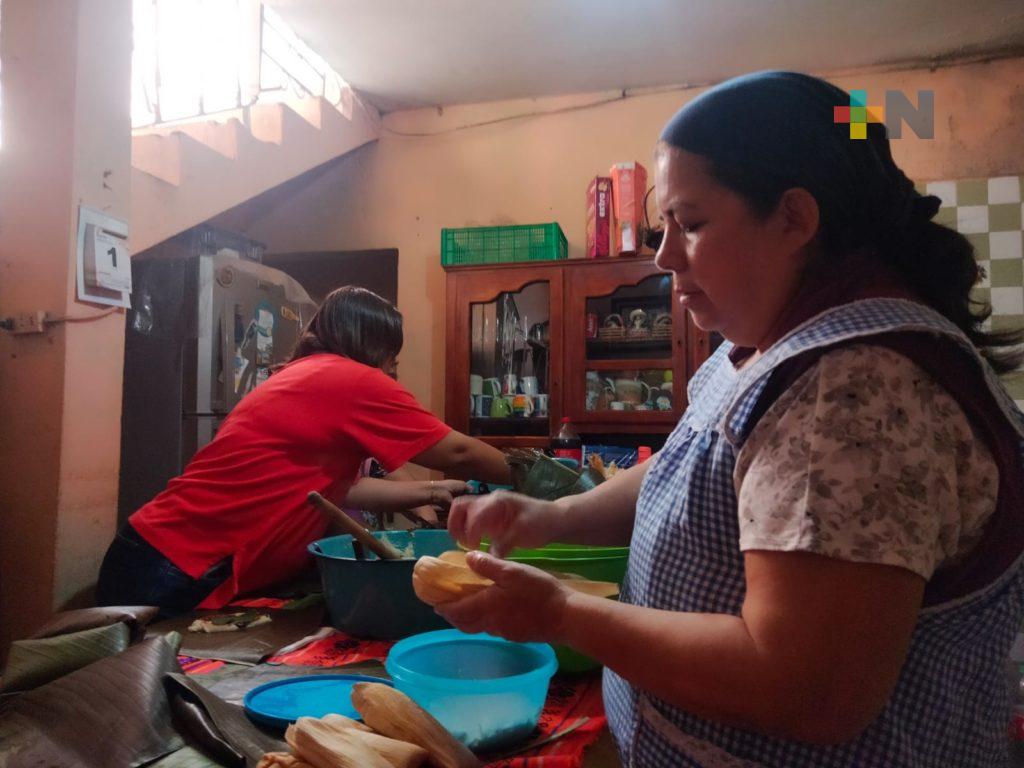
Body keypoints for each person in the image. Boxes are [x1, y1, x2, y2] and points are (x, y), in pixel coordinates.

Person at [439, 71, 1024, 767]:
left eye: (690, 224)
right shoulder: (769, 344)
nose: (663, 256)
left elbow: (806, 688)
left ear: (794, 218)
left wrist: (561, 615)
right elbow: (687, 470)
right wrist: (549, 518)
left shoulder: (855, 390)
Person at [97, 286, 509, 616]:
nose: (390, 369)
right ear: (374, 345)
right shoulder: (351, 380)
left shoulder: (305, 374)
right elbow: (458, 452)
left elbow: (341, 488)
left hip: (157, 554)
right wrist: (534, 474)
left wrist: (432, 491)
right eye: (391, 356)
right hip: (172, 564)